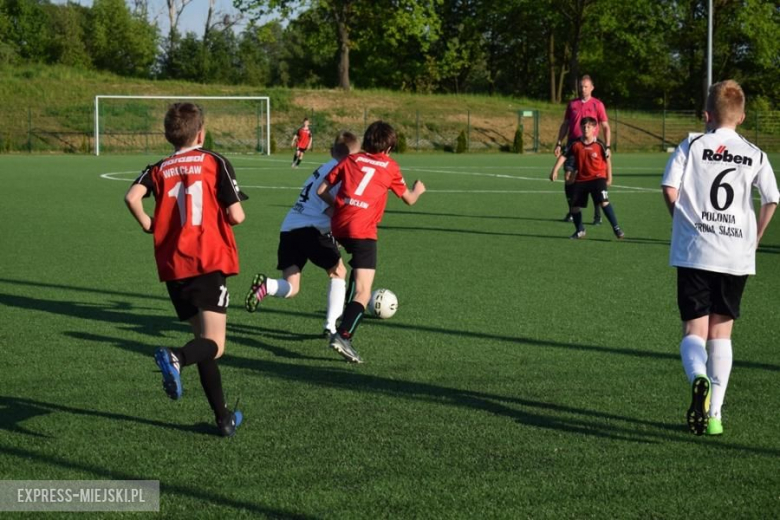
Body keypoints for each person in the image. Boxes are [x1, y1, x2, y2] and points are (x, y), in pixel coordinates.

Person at [661, 80, 778, 437]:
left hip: (696, 250)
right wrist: (755, 237)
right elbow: (772, 198)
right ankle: (715, 415)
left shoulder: (693, 144)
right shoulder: (755, 153)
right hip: (735, 254)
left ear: (707, 115)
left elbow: (669, 188)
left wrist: (682, 223)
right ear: (741, 117)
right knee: (721, 333)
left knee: (693, 330)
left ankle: (698, 377)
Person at [124, 102, 248, 437]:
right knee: (216, 344)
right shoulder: (214, 160)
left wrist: (151, 224)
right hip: (207, 260)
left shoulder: (159, 167)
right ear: (201, 132)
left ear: (169, 136)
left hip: (173, 265)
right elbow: (237, 215)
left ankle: (223, 418)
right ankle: (175, 356)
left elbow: (131, 197)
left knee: (204, 341)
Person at [316, 121, 426, 363]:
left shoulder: (351, 160)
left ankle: (345, 317)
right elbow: (409, 199)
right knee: (365, 291)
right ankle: (343, 336)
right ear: (388, 149)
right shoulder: (390, 167)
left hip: (340, 226)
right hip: (362, 230)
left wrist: (341, 208)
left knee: (356, 273)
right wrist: (418, 189)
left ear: (366, 142)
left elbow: (322, 190)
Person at [244, 131, 361, 336]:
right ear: (354, 156)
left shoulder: (323, 167)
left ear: (333, 150)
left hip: (289, 227)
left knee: (292, 287)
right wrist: (343, 230)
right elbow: (327, 208)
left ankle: (267, 285)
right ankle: (331, 326)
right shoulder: (341, 173)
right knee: (338, 272)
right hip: (312, 229)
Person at [550, 116, 624, 240]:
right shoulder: (576, 143)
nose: (586, 128)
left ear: (595, 128)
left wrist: (609, 177)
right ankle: (580, 230)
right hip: (581, 179)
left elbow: (608, 160)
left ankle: (616, 228)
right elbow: (564, 156)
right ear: (580, 127)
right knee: (573, 206)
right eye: (584, 126)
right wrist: (555, 170)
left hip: (598, 178)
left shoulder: (600, 144)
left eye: (589, 126)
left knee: (604, 202)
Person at [553, 75, 611, 225]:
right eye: (581, 86)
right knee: (568, 177)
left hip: (592, 146)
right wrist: (559, 143)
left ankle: (597, 214)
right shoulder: (572, 104)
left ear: (592, 88)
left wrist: (608, 146)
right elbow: (565, 124)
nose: (582, 89)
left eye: (585, 86)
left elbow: (605, 126)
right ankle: (572, 211)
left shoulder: (598, 104)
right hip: (574, 144)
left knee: (593, 180)